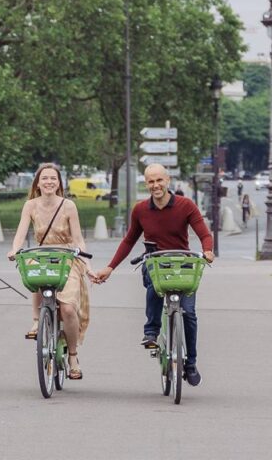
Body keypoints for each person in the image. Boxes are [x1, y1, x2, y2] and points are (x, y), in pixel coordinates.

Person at [92, 164, 214, 387]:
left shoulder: (185, 205)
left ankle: (191, 363)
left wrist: (207, 251)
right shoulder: (140, 210)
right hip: (156, 263)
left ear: (168, 180)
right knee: (153, 285)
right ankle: (151, 332)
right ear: (146, 183)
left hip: (183, 263)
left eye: (159, 180)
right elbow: (129, 240)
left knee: (188, 313)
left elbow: (204, 233)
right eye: (150, 181)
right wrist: (110, 268)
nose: (155, 185)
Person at [7, 163, 95, 380]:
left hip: (67, 257)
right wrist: (14, 250)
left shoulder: (68, 206)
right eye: (44, 178)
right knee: (34, 272)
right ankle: (37, 320)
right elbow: (20, 234)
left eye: (53, 179)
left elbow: (78, 239)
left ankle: (73, 356)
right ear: (37, 182)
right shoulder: (30, 205)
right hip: (41, 254)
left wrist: (87, 264)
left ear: (59, 183)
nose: (48, 182)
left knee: (67, 309)